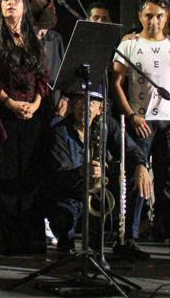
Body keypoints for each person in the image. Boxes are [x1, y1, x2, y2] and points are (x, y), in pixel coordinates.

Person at [111, 0, 170, 257]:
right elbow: (116, 82)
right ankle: (129, 234)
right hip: (141, 119)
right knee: (136, 175)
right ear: (140, 16)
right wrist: (131, 114)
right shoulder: (129, 44)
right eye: (148, 16)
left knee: (169, 176)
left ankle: (168, 227)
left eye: (159, 16)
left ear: (167, 16)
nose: (154, 21)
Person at [0, 0, 53, 255]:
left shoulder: (33, 39)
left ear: (24, 6)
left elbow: (43, 77)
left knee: (30, 176)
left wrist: (35, 104)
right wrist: (10, 102)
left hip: (32, 117)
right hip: (4, 116)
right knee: (4, 175)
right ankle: (3, 241)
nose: (10, 2)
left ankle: (29, 241)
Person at [43, 87, 148, 253]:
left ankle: (127, 241)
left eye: (90, 103)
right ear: (71, 105)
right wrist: (81, 171)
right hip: (72, 193)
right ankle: (66, 243)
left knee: (138, 179)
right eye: (79, 101)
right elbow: (59, 175)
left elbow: (130, 149)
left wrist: (141, 165)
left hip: (102, 191)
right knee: (62, 214)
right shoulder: (60, 131)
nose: (84, 107)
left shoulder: (108, 125)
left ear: (101, 108)